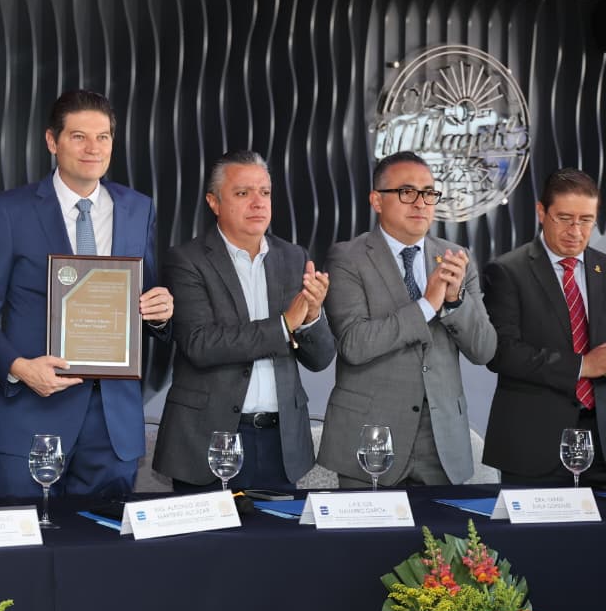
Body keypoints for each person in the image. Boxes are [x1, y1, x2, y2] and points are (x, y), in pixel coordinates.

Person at [0, 89, 173, 499]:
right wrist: (19, 369)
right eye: (79, 137)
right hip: (33, 415)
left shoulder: (138, 208)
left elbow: (143, 298)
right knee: (28, 538)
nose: (93, 148)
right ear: (52, 141)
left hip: (113, 425)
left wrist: (160, 314)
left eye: (103, 137)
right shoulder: (11, 210)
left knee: (105, 541)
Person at [154, 150, 335, 493]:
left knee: (277, 530)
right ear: (214, 202)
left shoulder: (293, 257)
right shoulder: (187, 260)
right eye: (242, 193)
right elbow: (201, 345)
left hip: (281, 444)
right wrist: (284, 325)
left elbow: (321, 358)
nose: (258, 202)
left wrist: (311, 317)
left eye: (265, 192)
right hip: (208, 441)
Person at [318, 151, 496, 487]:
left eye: (428, 193)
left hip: (441, 442)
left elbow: (484, 350)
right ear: (376, 200)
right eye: (406, 192)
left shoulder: (456, 258)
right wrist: (427, 305)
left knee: (443, 525)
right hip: (372, 437)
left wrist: (455, 301)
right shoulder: (348, 258)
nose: (420, 203)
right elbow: (354, 344)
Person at [482, 168, 606, 486]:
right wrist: (582, 366)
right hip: (534, 446)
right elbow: (502, 353)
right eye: (564, 218)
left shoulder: (604, 269)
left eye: (586, 220)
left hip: (601, 444)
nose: (575, 231)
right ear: (541, 212)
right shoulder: (507, 271)